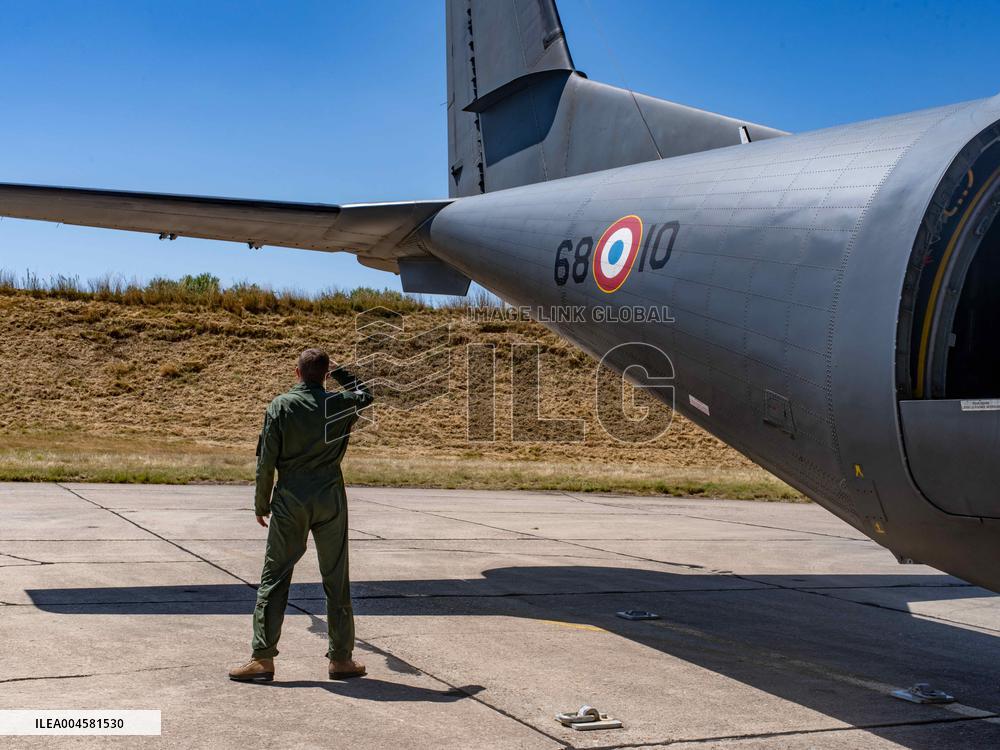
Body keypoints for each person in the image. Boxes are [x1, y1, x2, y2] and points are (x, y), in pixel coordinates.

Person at [229, 348, 373, 682]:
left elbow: (266, 461)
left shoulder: (280, 406)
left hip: (290, 499)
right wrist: (340, 372)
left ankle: (262, 657)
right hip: (330, 499)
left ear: (296, 373)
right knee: (336, 578)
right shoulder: (340, 404)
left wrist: (261, 503)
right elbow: (365, 394)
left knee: (275, 577)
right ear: (324, 375)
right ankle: (341, 658)